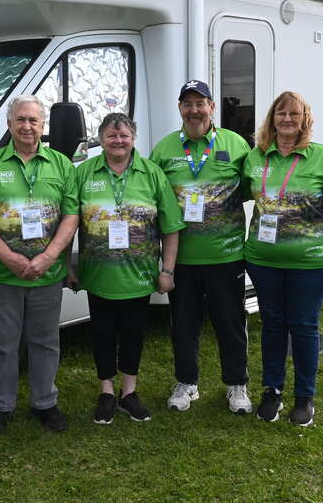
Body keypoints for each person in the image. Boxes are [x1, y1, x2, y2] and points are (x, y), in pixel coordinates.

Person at [0, 95, 79, 436]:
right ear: (9, 124)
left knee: (45, 340)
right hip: (2, 273)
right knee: (3, 342)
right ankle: (0, 406)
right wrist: (8, 257)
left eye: (33, 121)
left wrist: (49, 257)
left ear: (42, 126)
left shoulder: (61, 165)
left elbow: (71, 215)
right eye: (21, 120)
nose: (27, 126)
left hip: (47, 273)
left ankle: (45, 402)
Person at [243, 91, 323, 426]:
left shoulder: (322, 158)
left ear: (305, 118)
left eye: (294, 114)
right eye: (280, 113)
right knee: (273, 325)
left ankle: (304, 398)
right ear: (272, 118)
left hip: (313, 261)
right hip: (263, 260)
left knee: (304, 326)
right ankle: (271, 391)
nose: (287, 119)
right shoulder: (257, 156)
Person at [69, 113, 184, 424]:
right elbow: (69, 222)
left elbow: (171, 227)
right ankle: (106, 391)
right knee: (102, 334)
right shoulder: (83, 173)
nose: (118, 141)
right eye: (111, 135)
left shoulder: (152, 174)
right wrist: (67, 264)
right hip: (99, 274)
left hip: (140, 274)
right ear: (101, 139)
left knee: (133, 334)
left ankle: (128, 393)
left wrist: (168, 271)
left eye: (123, 135)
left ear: (133, 138)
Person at [149, 80, 253, 415]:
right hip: (182, 258)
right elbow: (152, 199)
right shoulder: (164, 150)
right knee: (183, 323)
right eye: (187, 104)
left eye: (200, 103)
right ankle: (186, 383)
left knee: (231, 322)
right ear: (180, 109)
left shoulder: (235, 144)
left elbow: (253, 188)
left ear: (212, 107)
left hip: (227, 255)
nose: (194, 110)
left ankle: (237, 385)